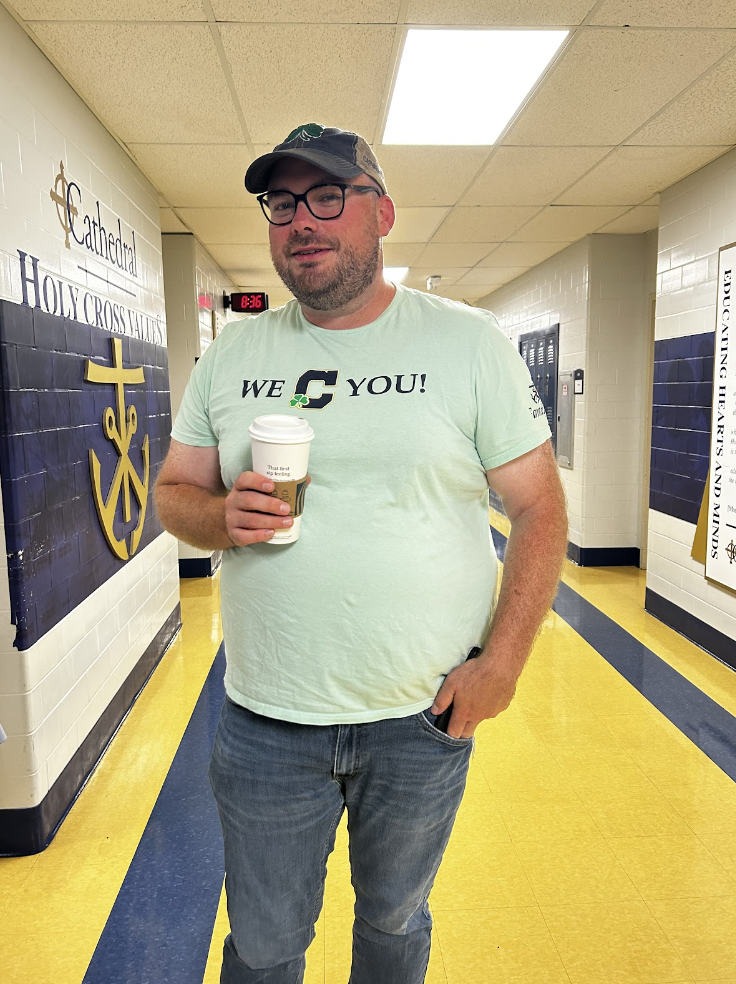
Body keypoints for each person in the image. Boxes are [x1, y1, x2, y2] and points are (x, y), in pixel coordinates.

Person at [154, 123, 568, 984]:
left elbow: (537, 508)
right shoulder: (231, 357)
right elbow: (173, 495)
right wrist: (221, 516)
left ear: (380, 213)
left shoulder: (468, 344)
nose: (301, 220)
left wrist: (505, 664)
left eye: (326, 197)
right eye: (281, 203)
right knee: (263, 947)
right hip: (267, 719)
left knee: (392, 923)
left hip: (422, 716)